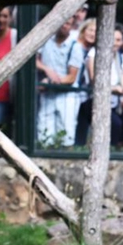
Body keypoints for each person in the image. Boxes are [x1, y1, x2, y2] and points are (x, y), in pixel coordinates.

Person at [35, 17, 84, 147]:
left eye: (68, 23)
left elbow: (71, 77)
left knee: (66, 134)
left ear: (72, 26)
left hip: (67, 96)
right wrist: (46, 69)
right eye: (62, 22)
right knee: (44, 134)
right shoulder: (46, 41)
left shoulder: (75, 47)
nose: (64, 26)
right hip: (47, 94)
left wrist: (50, 80)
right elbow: (35, 60)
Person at [86, 25, 123, 146]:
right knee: (115, 124)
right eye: (113, 39)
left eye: (119, 40)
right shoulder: (94, 53)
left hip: (112, 104)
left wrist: (122, 87)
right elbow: (94, 80)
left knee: (115, 126)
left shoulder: (121, 58)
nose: (116, 43)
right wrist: (114, 88)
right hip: (93, 101)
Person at [72, 18, 96, 146]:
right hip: (71, 90)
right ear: (83, 30)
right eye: (91, 30)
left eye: (96, 31)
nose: (93, 34)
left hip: (83, 95)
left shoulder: (92, 52)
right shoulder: (73, 45)